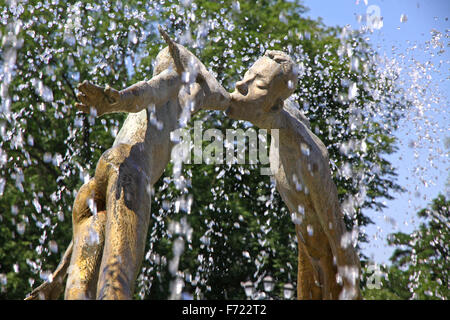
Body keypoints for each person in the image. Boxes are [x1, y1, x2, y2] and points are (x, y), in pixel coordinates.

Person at [26, 29, 230, 300]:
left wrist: (58, 275)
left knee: (79, 293)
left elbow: (220, 98)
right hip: (130, 175)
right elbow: (148, 92)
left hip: (96, 184)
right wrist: (116, 101)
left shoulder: (183, 97)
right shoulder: (173, 84)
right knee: (115, 288)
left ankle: (61, 284)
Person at [226, 50, 361, 299]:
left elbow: (339, 237)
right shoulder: (277, 120)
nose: (240, 85)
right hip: (306, 256)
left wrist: (352, 292)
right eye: (247, 75)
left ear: (276, 106)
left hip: (330, 270)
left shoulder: (309, 159)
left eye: (258, 84)